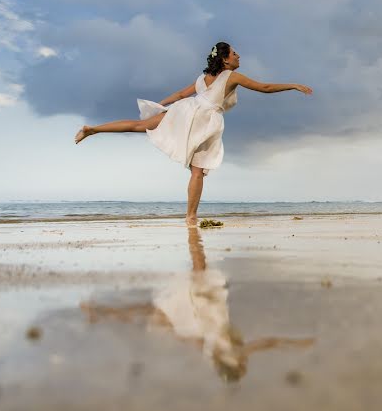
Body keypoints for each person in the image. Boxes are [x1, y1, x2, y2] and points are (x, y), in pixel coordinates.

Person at [74, 42, 313, 226]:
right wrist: (292, 85)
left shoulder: (202, 78)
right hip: (204, 119)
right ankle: (190, 217)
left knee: (140, 126)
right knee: (197, 172)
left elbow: (180, 95)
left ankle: (92, 129)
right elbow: (265, 88)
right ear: (225, 61)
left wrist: (161, 106)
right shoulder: (233, 76)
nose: (239, 56)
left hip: (186, 110)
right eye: (234, 54)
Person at [80, 227, 315, 383]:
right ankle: (100, 313)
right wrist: (174, 331)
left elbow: (268, 342)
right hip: (201, 315)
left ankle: (100, 313)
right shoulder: (216, 354)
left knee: (151, 306)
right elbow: (198, 341)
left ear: (234, 366)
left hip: (204, 312)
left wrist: (297, 344)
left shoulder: (232, 354)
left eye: (242, 367)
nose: (245, 362)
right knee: (148, 309)